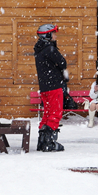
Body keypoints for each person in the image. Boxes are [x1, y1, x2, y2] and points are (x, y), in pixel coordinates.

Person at [34, 23, 66, 152]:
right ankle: (49, 142)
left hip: (45, 87)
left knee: (47, 113)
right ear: (47, 35)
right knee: (55, 113)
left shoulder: (39, 49)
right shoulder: (49, 49)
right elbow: (63, 62)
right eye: (53, 33)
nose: (55, 36)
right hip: (54, 86)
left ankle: (42, 141)